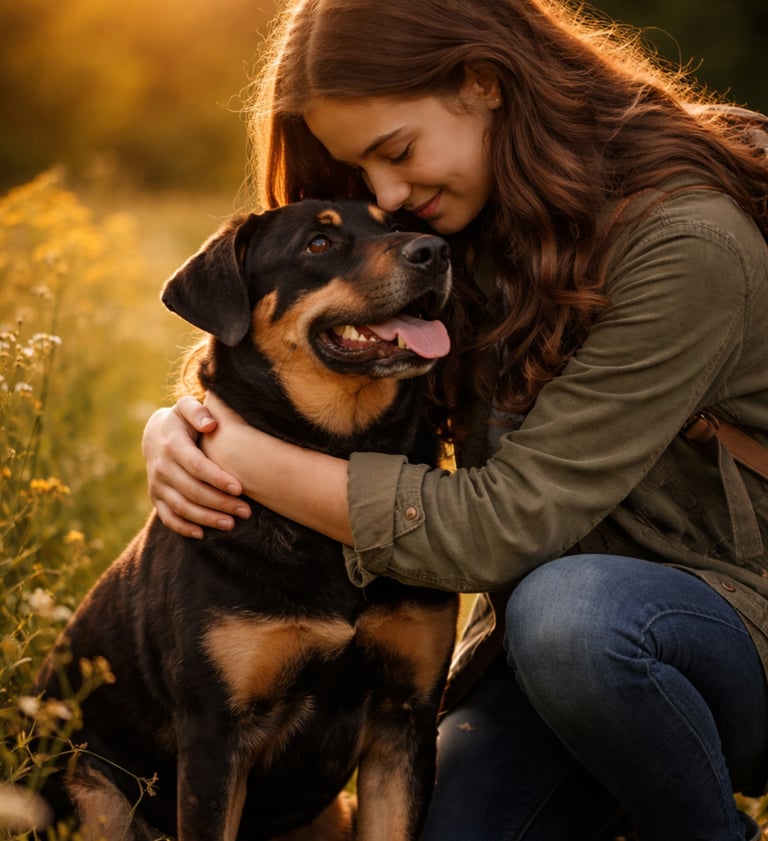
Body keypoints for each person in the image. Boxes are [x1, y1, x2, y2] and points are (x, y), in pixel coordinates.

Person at [141, 0, 768, 838]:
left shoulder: (686, 241)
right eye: (363, 172)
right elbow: (282, 334)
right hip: (541, 666)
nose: (389, 196)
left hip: (725, 630)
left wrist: (230, 450)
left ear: (484, 82)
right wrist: (181, 419)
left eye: (396, 152)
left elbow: (503, 528)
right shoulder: (469, 227)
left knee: (572, 613)